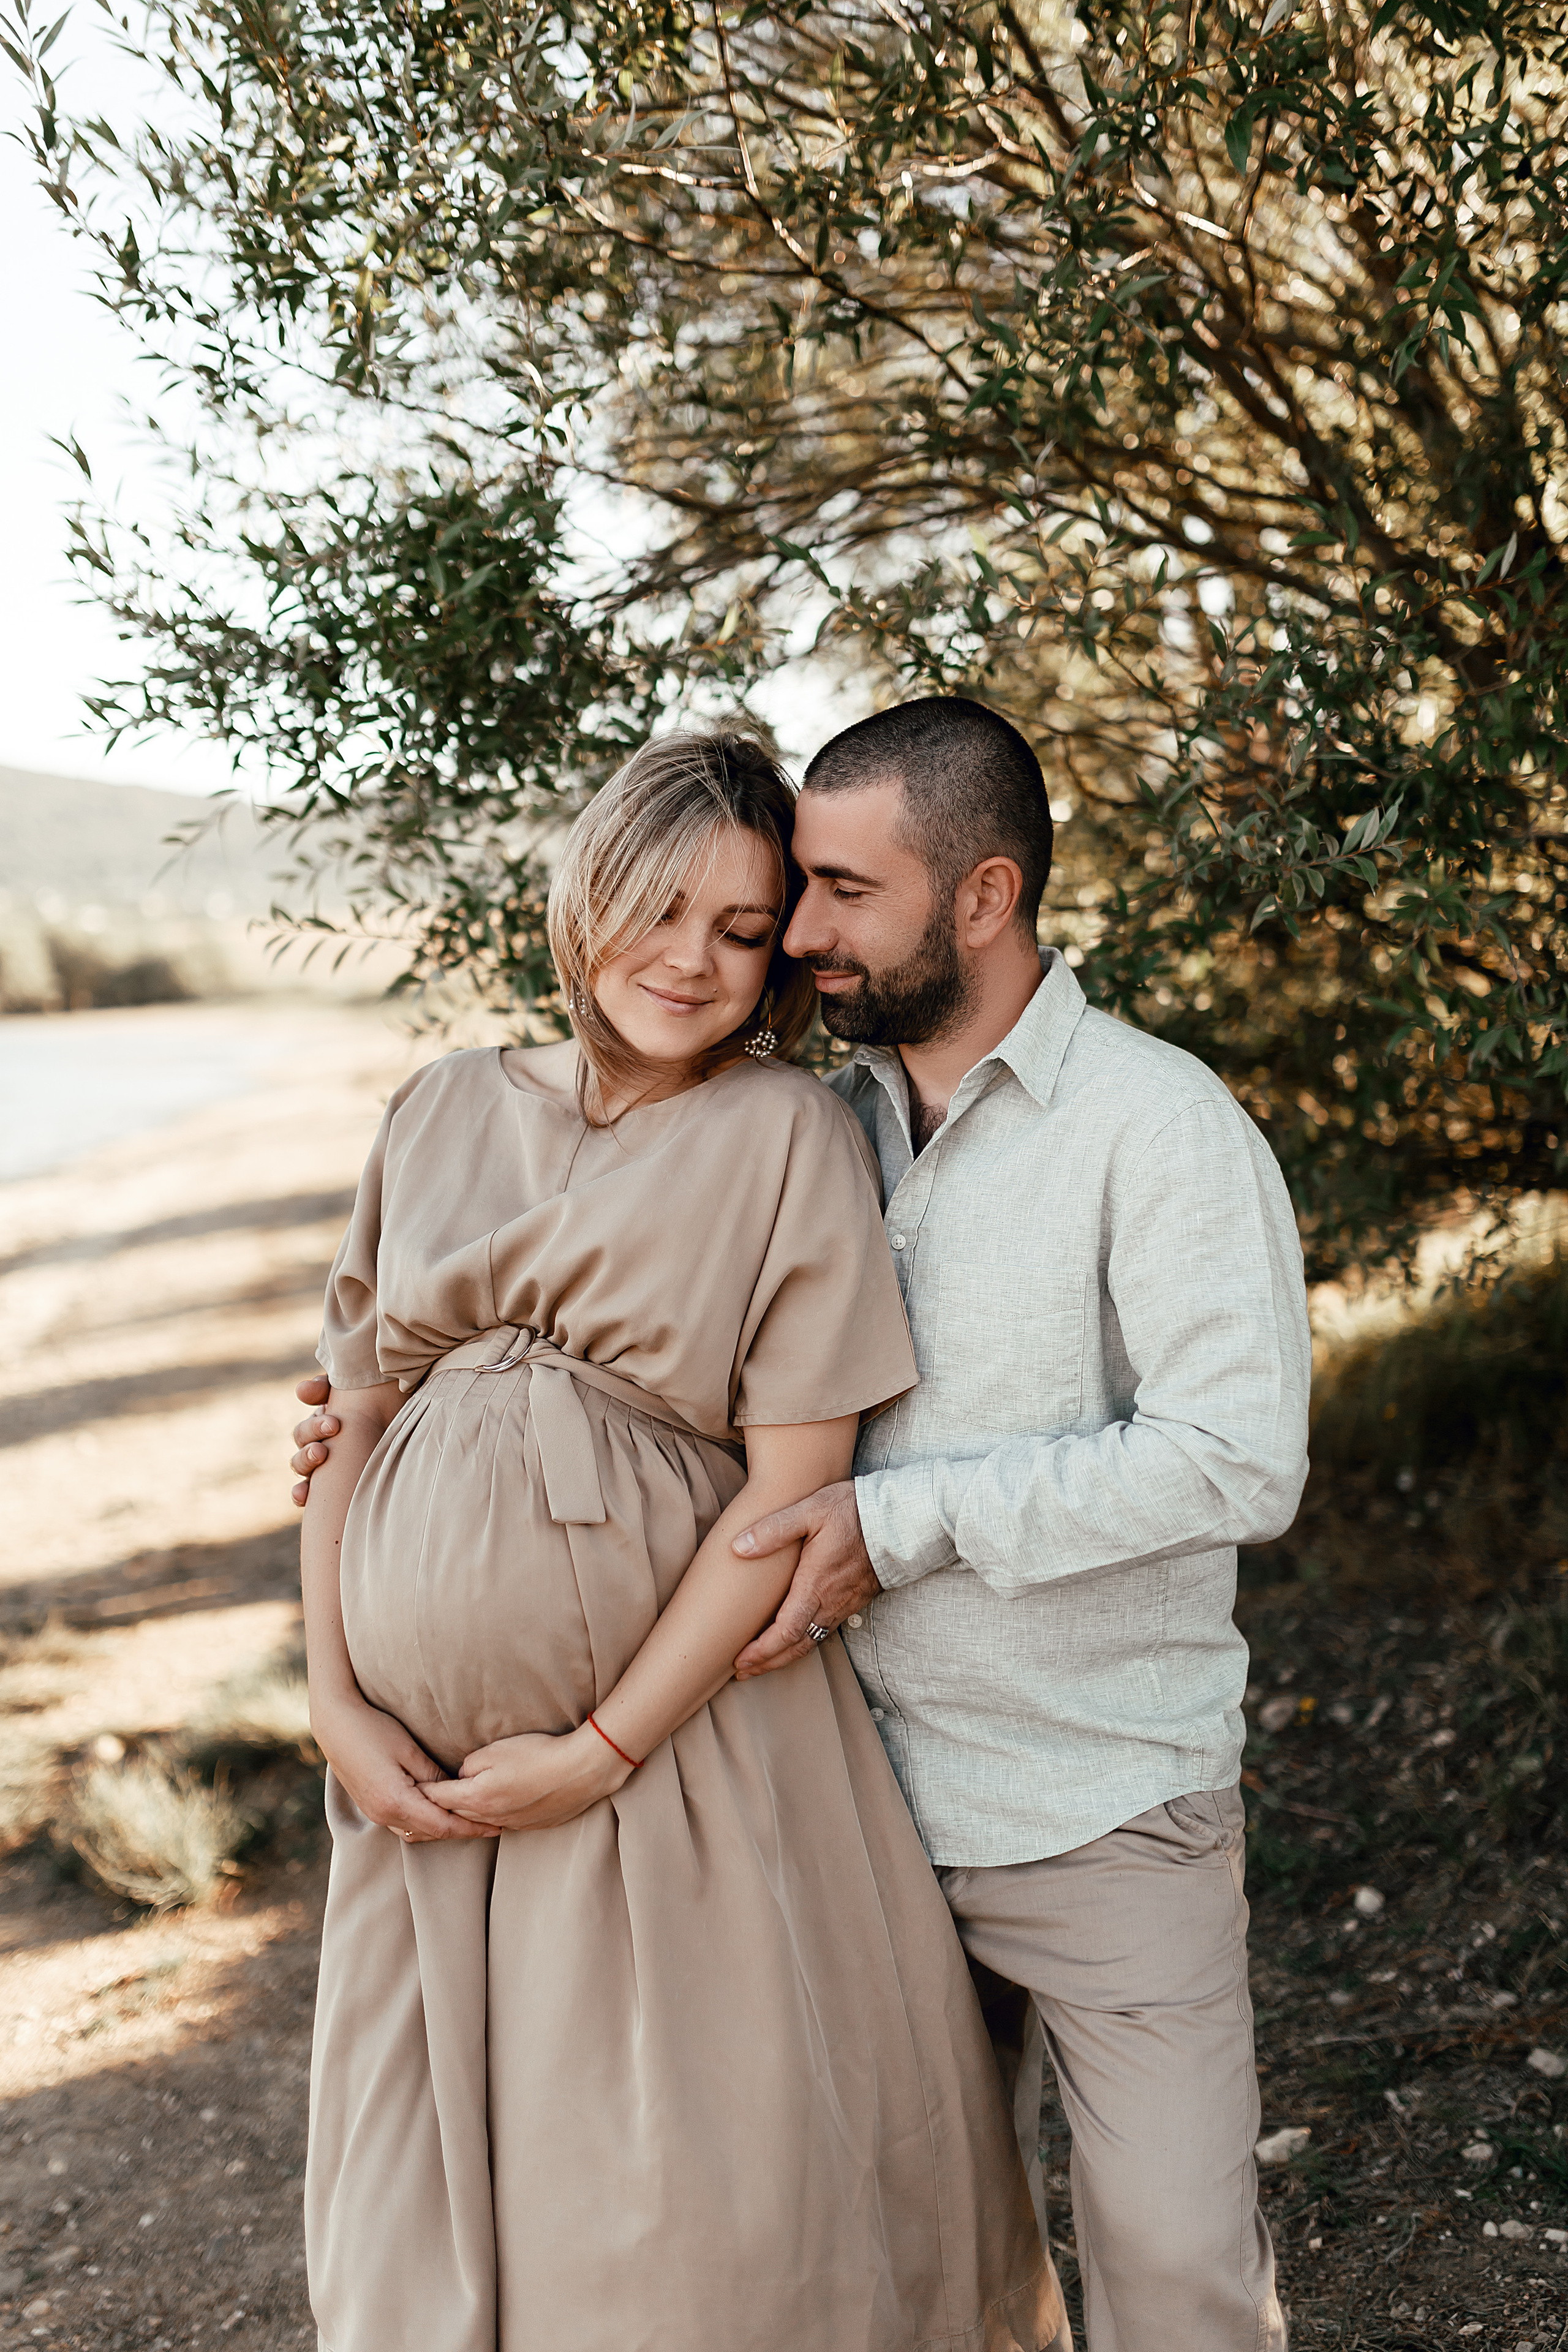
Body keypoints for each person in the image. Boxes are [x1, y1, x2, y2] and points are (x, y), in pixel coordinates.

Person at [293, 696, 1313, 2351]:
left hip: (1087, 1793)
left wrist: (884, 1525)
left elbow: (1232, 1463)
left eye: (820, 903)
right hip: (856, 1785)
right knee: (903, 2227)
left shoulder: (1151, 1127)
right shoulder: (827, 1116)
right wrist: (364, 1580)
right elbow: (429, 1386)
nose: (789, 946)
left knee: (1174, 2265)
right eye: (790, 905)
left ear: (979, 899)